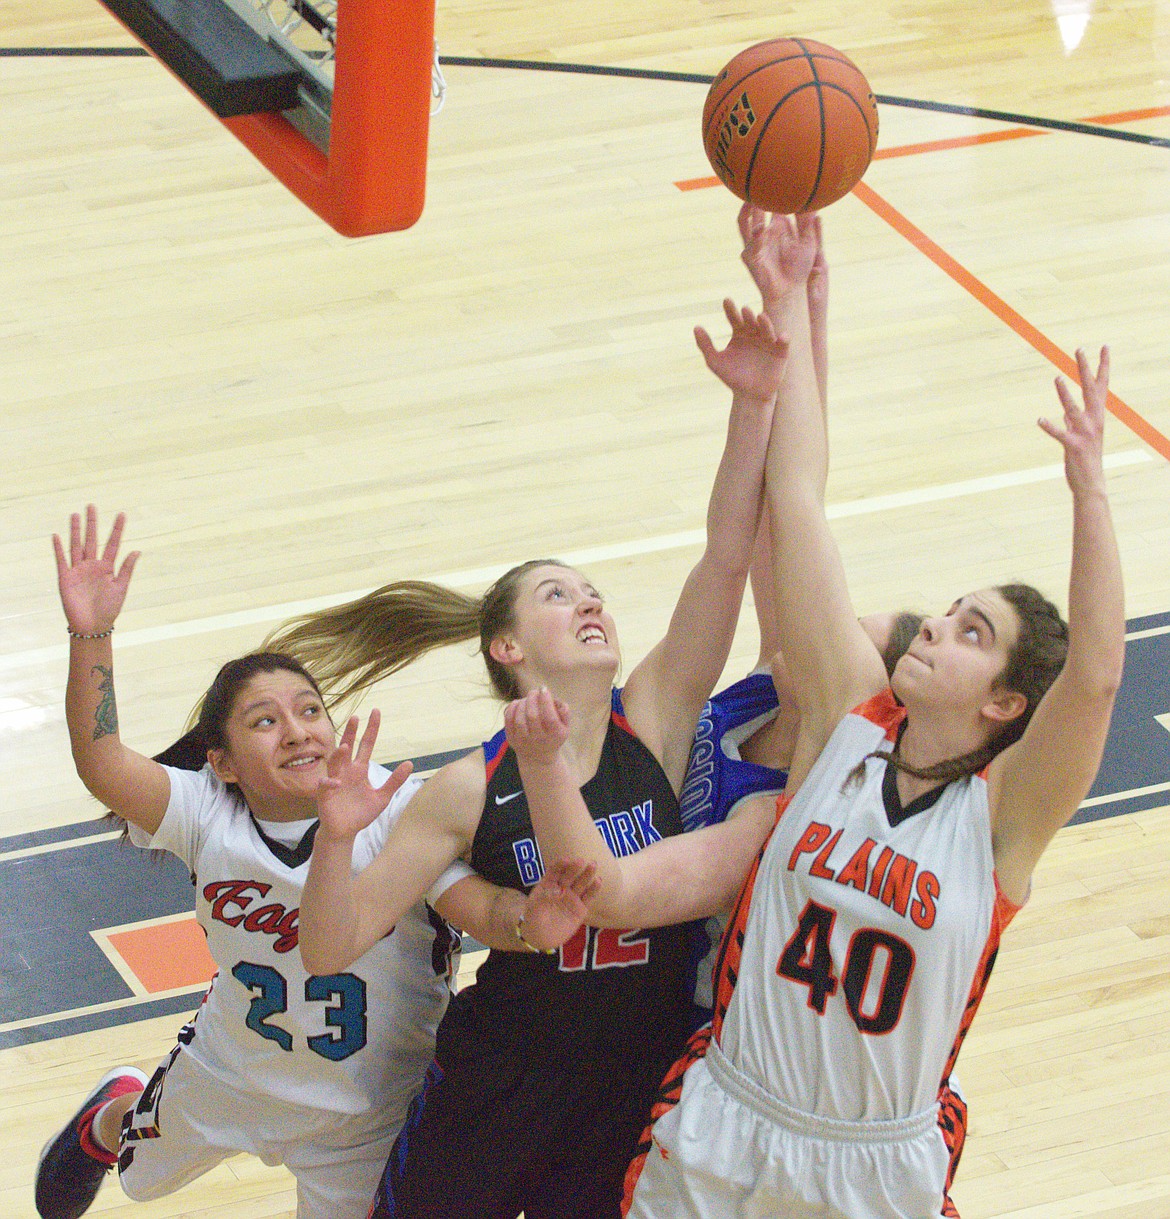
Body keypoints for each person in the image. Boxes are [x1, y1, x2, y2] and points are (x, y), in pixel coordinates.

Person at [511, 212, 1124, 1219]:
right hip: (728, 1118)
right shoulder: (848, 717)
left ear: (1007, 702)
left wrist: (1090, 492)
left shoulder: (1006, 817)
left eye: (971, 632)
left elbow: (1096, 677)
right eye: (951, 614)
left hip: (872, 1164)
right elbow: (796, 502)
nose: (935, 628)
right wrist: (790, 295)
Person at [276, 300, 791, 1219]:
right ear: (509, 649)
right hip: (502, 1080)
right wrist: (333, 840)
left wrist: (751, 406)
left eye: (594, 593)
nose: (591, 602)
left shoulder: (657, 718)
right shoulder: (467, 786)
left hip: (634, 1086)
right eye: (559, 595)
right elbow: (327, 944)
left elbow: (725, 556)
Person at [35, 507, 597, 1219]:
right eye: (265, 721)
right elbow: (101, 759)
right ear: (223, 763)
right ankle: (109, 1115)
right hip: (232, 1071)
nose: (297, 730)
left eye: (309, 710)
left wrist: (529, 921)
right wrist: (93, 632)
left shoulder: (400, 810)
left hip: (366, 1114)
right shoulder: (205, 811)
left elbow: (480, 910)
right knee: (137, 1171)